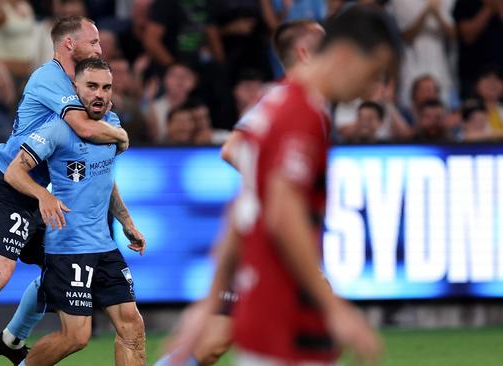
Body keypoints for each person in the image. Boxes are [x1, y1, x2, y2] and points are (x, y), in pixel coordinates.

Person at [164, 5, 399, 366]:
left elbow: (247, 206)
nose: (374, 88)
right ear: (346, 54)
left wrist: (207, 302)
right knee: (211, 346)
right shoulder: (302, 112)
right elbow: (281, 208)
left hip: (271, 301)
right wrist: (332, 305)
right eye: (374, 72)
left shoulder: (283, 103)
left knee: (211, 346)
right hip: (287, 309)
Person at [0, 16, 129, 366]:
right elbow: (81, 126)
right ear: (69, 44)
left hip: (37, 191)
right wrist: (122, 136)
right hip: (8, 183)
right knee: (0, 271)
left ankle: (11, 339)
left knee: (57, 268)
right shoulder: (49, 78)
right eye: (93, 42)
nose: (99, 48)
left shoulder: (78, 85)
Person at [155, 19, 325, 366]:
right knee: (214, 345)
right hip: (267, 239)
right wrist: (276, 186)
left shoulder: (311, 102)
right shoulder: (282, 98)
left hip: (281, 238)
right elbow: (232, 148)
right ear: (304, 53)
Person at [5, 58, 146, 366]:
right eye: (92, 86)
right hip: (69, 248)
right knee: (76, 337)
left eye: (106, 87)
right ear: (75, 89)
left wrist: (126, 222)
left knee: (132, 325)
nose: (100, 94)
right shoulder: (57, 128)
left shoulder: (113, 123)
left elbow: (105, 178)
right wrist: (43, 195)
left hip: (105, 246)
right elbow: (14, 172)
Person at [221, 19, 324, 169]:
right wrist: (272, 183)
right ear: (304, 54)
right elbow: (230, 150)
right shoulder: (279, 96)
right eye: (323, 44)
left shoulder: (313, 98)